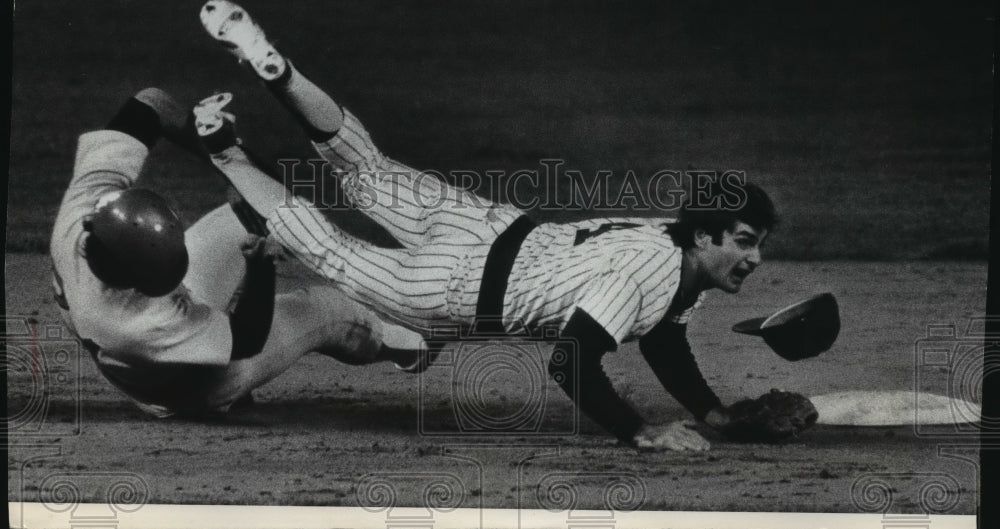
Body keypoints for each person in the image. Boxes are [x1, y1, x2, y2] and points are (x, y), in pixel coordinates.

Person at [197, 1, 777, 450]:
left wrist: (714, 414)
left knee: (364, 163)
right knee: (328, 247)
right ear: (706, 236)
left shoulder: (669, 242)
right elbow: (571, 359)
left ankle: (277, 68)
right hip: (456, 289)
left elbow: (665, 337)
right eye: (745, 242)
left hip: (484, 224)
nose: (754, 258)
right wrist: (637, 431)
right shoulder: (648, 274)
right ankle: (224, 151)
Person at [50, 87, 431, 419]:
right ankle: (407, 344)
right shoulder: (139, 325)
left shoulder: (85, 214)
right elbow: (247, 337)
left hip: (148, 342)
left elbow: (149, 104)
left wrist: (219, 153)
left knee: (262, 204)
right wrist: (261, 266)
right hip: (193, 388)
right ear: (137, 279)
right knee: (324, 310)